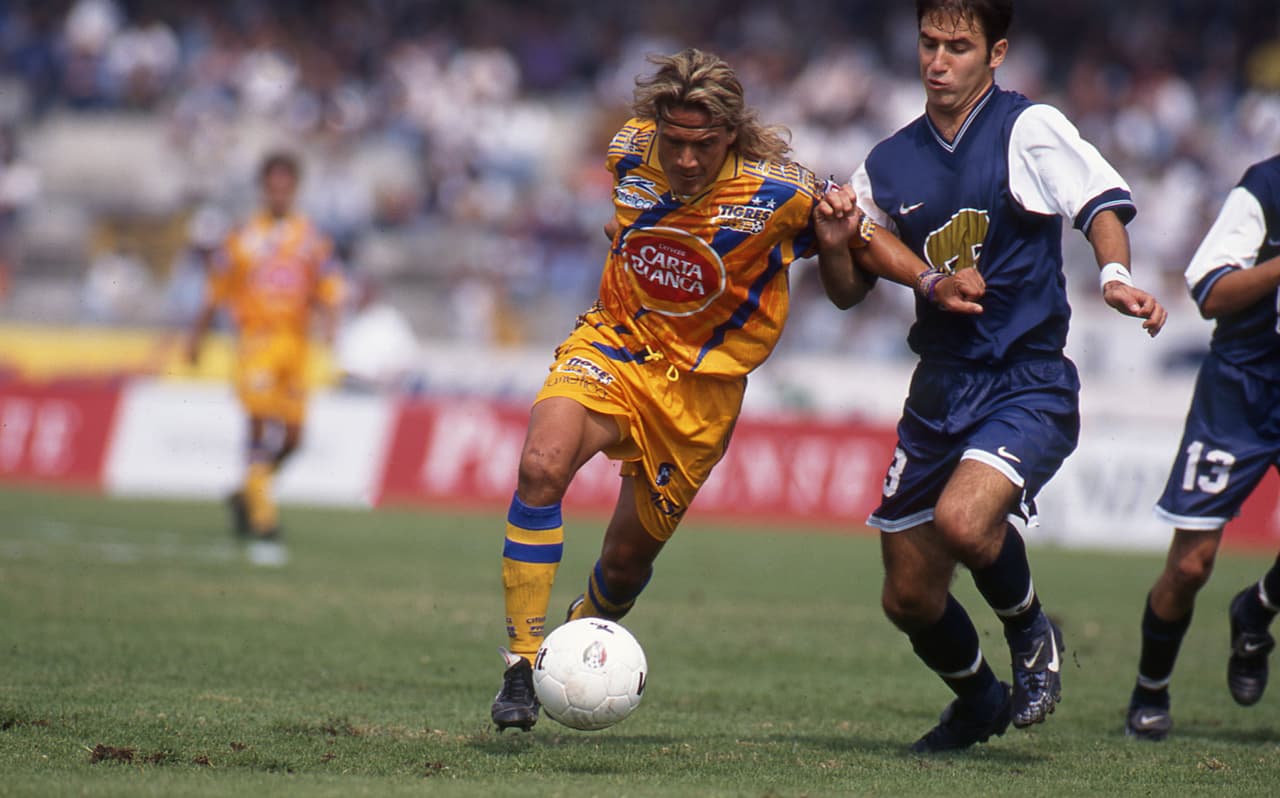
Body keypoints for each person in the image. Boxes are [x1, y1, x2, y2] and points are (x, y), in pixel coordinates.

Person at [490, 47, 927, 732]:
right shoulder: (629, 151)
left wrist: (925, 281)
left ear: (730, 134)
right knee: (541, 466)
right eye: (674, 141)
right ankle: (520, 666)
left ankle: (575, 642)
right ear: (655, 127)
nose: (685, 158)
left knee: (625, 568)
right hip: (614, 346)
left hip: (700, 398)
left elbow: (857, 267)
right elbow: (628, 219)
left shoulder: (783, 193)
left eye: (701, 144)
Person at [844, 0, 1167, 753]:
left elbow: (1097, 202)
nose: (938, 59)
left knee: (964, 521)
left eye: (958, 45)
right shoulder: (887, 163)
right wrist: (841, 237)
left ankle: (1031, 633)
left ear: (996, 54)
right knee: (908, 595)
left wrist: (1115, 273)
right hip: (939, 389)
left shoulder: (1029, 128)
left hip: (1026, 381)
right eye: (929, 42)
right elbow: (847, 280)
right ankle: (980, 701)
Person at [1124, 154, 1280, 741]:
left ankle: (1256, 609)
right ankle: (1150, 689)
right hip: (1241, 389)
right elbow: (1211, 291)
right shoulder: (1267, 186)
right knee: (1191, 564)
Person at [185, 151, 343, 566]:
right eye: (272, 184)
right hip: (256, 341)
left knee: (293, 438)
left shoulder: (310, 238)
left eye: (285, 185)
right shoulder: (242, 237)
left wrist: (330, 323)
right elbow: (215, 290)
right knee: (257, 426)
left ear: (293, 188)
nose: (278, 191)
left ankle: (246, 492)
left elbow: (327, 287)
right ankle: (263, 517)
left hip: (295, 344)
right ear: (263, 188)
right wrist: (195, 337)